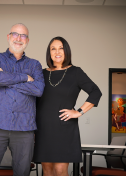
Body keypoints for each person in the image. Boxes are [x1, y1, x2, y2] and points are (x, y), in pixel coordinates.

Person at [0, 23, 45, 176]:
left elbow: (38, 89)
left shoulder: (35, 64)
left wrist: (7, 78)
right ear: (8, 37)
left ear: (27, 41)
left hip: (24, 129)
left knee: (22, 173)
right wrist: (24, 78)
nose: (18, 38)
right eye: (15, 34)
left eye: (23, 35)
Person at [34, 36, 102, 176]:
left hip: (63, 128)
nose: (57, 52)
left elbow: (96, 92)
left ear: (66, 52)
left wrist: (79, 112)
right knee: (46, 169)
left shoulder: (75, 72)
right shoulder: (41, 73)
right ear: (49, 52)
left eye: (61, 48)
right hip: (42, 128)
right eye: (53, 48)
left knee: (60, 170)